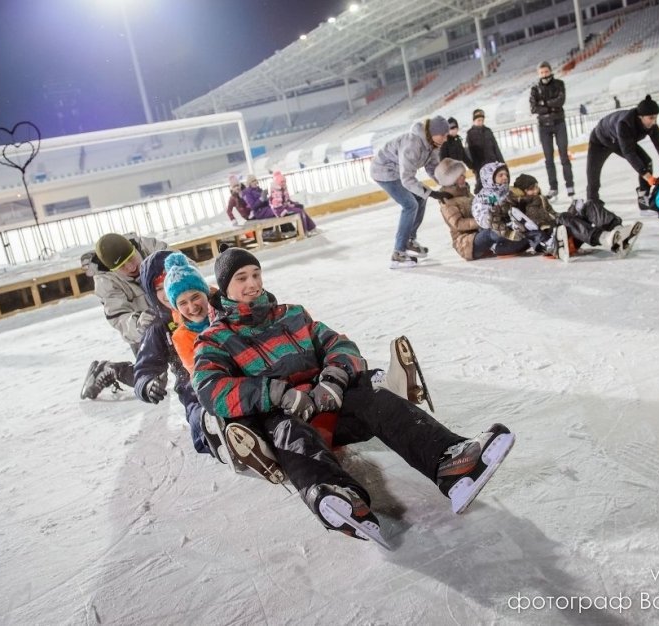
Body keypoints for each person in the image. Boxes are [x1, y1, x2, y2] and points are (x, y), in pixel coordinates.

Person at [191, 248, 515, 546]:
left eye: (256, 274)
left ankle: (451, 464)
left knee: (373, 397)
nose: (253, 283)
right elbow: (210, 389)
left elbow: (339, 344)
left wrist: (333, 379)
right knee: (288, 433)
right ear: (224, 288)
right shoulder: (215, 340)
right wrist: (280, 394)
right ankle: (338, 498)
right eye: (241, 278)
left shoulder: (292, 314)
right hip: (285, 413)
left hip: (327, 398)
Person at [132, 250, 220, 460]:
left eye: (168, 282)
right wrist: (145, 383)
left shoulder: (215, 300)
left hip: (233, 367)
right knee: (197, 411)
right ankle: (216, 435)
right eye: (159, 288)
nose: (166, 291)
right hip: (192, 384)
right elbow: (146, 363)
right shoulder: (159, 325)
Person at [80, 232, 167, 400]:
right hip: (144, 328)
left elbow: (186, 267)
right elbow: (119, 318)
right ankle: (112, 370)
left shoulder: (152, 248)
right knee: (153, 381)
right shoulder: (106, 281)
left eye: (131, 259)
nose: (130, 267)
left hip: (175, 312)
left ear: (135, 249)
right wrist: (140, 324)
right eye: (122, 266)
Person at [370, 116, 452, 269]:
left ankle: (409, 240)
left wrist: (446, 185)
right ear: (434, 133)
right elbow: (407, 178)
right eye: (443, 135)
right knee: (410, 205)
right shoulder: (412, 144)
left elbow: (432, 167)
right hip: (384, 171)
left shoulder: (433, 144)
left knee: (421, 198)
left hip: (399, 173)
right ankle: (398, 253)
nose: (446, 138)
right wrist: (433, 194)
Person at [511, 172, 643, 259]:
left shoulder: (541, 199)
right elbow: (536, 228)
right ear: (522, 192)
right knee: (563, 217)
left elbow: (553, 215)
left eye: (536, 187)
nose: (535, 190)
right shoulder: (523, 208)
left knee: (589, 205)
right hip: (555, 238)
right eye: (530, 189)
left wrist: (574, 210)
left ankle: (618, 230)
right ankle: (605, 238)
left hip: (566, 229)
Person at [585, 94, 659, 205]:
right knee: (593, 174)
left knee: (646, 161)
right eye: (651, 118)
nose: (654, 122)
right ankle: (592, 202)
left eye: (655, 117)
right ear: (641, 116)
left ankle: (643, 197)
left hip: (620, 139)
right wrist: (647, 176)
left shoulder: (652, 126)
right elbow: (629, 153)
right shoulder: (624, 124)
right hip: (600, 141)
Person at [529, 61, 574, 198]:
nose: (544, 74)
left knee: (564, 156)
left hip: (559, 123)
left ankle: (570, 185)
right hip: (544, 127)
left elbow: (560, 101)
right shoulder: (535, 89)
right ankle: (553, 188)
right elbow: (533, 108)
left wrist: (544, 104)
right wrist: (551, 106)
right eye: (541, 72)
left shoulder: (559, 84)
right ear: (539, 74)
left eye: (546, 71)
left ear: (550, 71)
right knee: (549, 159)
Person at [465, 109, 505, 194]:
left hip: (493, 162)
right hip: (480, 166)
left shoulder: (488, 131)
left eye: (482, 120)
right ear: (474, 121)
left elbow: (495, 147)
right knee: (484, 186)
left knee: (496, 183)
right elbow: (470, 153)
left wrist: (501, 162)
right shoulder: (470, 134)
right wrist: (474, 167)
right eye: (478, 120)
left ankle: (497, 202)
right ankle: (484, 202)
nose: (480, 122)